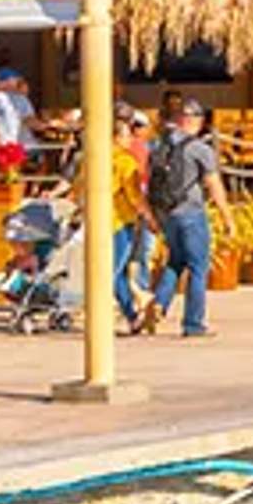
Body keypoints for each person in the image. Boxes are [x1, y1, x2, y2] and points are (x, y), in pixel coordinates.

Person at [145, 98, 220, 339]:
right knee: (198, 267)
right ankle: (193, 323)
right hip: (191, 213)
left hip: (167, 213)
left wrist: (153, 214)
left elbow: (149, 180)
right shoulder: (199, 148)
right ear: (194, 120)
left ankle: (159, 303)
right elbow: (213, 184)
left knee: (176, 261)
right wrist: (227, 216)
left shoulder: (158, 145)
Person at [109, 107, 157, 334]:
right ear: (116, 137)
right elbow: (135, 196)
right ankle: (128, 312)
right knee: (113, 272)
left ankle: (131, 313)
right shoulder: (125, 162)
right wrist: (149, 218)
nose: (130, 138)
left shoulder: (91, 159)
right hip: (119, 222)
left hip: (98, 222)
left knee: (114, 272)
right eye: (126, 134)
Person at [0, 67, 34, 189]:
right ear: (8, 82)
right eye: (18, 82)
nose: (21, 86)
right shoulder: (20, 100)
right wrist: (51, 124)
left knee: (2, 173)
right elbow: (31, 122)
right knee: (44, 157)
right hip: (18, 146)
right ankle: (34, 189)